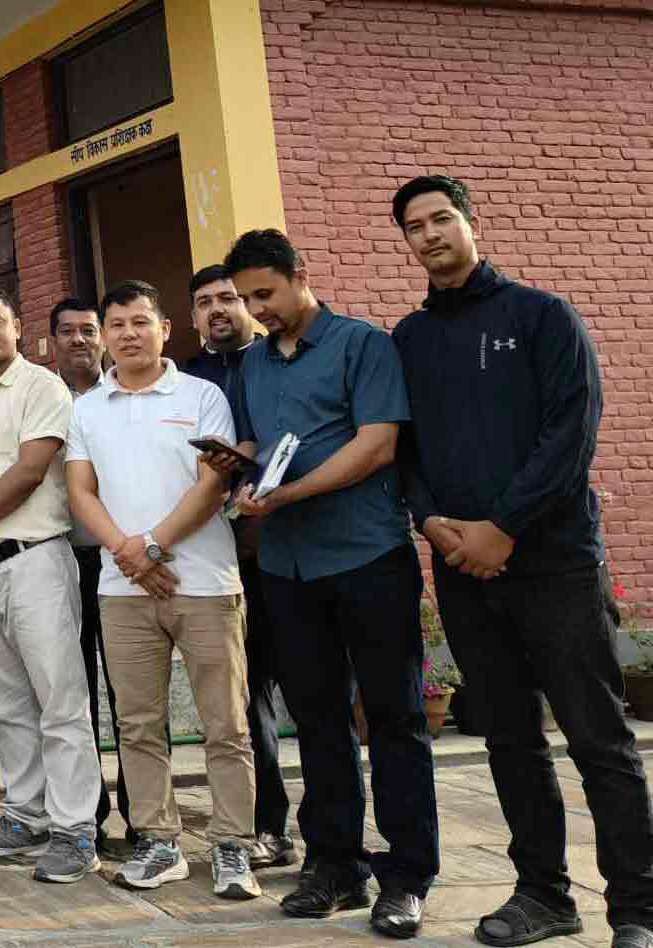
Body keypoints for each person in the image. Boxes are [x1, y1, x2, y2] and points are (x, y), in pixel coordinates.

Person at [390, 175, 653, 948]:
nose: (430, 234)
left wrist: (503, 528)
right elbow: (405, 448)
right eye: (415, 226)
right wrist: (432, 523)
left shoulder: (541, 316)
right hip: (463, 572)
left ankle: (638, 907)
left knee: (599, 738)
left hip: (556, 564)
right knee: (508, 739)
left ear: (471, 223)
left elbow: (571, 432)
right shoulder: (410, 338)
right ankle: (543, 894)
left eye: (442, 218)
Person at [200, 228, 437, 939]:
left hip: (367, 557)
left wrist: (288, 494)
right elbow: (255, 445)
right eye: (246, 299)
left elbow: (377, 445)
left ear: (301, 274)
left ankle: (407, 876)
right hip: (287, 565)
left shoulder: (362, 344)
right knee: (318, 719)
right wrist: (234, 472)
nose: (256, 310)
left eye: (265, 294)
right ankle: (335, 865)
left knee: (393, 719)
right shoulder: (254, 363)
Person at [66, 281, 259, 900]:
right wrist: (129, 554)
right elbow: (81, 491)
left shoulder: (202, 396)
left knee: (226, 722)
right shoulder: (87, 408)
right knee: (138, 724)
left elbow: (212, 485)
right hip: (122, 590)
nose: (129, 334)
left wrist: (150, 545)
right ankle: (158, 841)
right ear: (105, 335)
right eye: (117, 324)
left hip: (204, 582)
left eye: (140, 322)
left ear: (166, 328)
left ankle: (233, 845)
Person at [0, 285, 102, 885]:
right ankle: (24, 816)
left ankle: (76, 829)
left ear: (17, 327)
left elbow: (31, 471)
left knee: (61, 700)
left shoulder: (42, 387)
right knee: (6, 702)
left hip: (36, 561)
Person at [181, 265, 296, 870]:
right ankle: (265, 825)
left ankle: (334, 834)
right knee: (245, 701)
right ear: (191, 316)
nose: (218, 309)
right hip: (219, 560)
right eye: (205, 302)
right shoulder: (186, 381)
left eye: (228, 297)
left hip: (288, 548)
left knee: (309, 690)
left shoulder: (276, 363)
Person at [49, 297, 132, 849]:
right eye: (67, 331)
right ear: (51, 341)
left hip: (122, 558)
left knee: (131, 692)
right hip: (60, 559)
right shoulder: (41, 398)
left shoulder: (125, 394)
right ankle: (86, 813)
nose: (79, 340)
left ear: (102, 337)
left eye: (88, 330)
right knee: (72, 692)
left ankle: (142, 813)